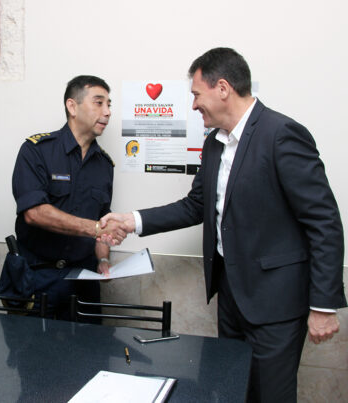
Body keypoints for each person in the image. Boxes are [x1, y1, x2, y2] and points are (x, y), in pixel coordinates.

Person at [100, 47, 346, 402]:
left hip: (276, 304)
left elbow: (323, 221)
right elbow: (196, 206)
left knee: (271, 396)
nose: (194, 105)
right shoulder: (214, 144)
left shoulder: (281, 134)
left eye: (196, 95)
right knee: (233, 391)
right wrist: (132, 220)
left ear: (223, 88)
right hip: (230, 296)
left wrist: (323, 305)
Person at [9, 75, 127, 321]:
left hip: (84, 281)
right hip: (38, 279)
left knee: (90, 345)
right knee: (30, 345)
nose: (107, 112)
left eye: (109, 105)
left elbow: (102, 220)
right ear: (72, 107)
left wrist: (103, 258)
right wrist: (95, 228)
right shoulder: (36, 151)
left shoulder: (104, 164)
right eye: (99, 103)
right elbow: (35, 213)